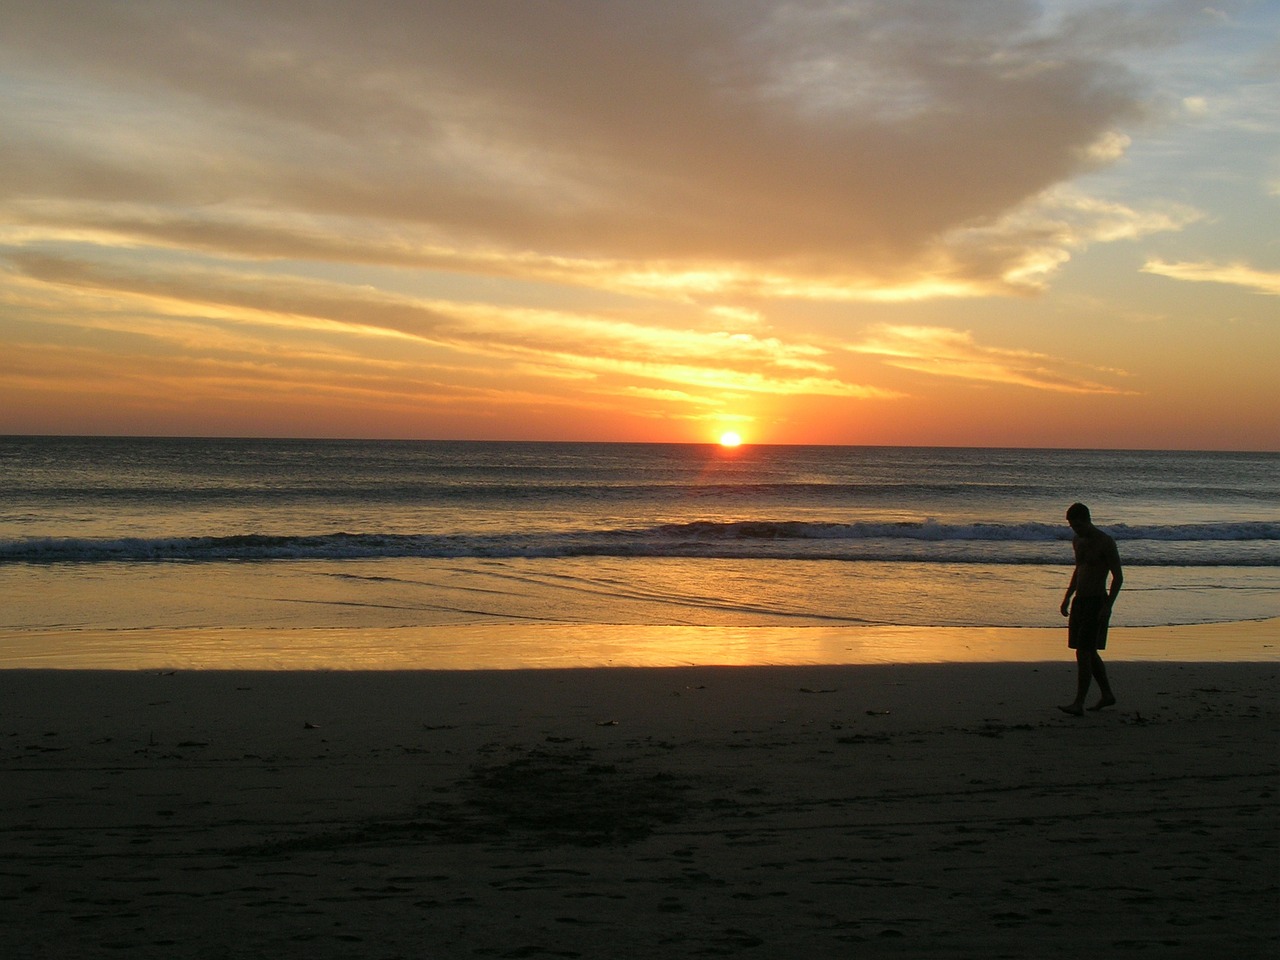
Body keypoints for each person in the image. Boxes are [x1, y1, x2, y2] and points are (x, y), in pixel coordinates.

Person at [1058, 502, 1122, 716]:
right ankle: (1107, 694)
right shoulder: (1077, 541)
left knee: (1083, 652)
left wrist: (1108, 606)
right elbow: (1079, 570)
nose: (1075, 530)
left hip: (1096, 602)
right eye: (1071, 526)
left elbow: (1118, 577)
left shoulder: (1105, 542)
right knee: (1087, 650)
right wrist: (1067, 596)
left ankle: (1078, 703)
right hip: (1080, 601)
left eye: (1077, 525)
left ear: (1087, 520)